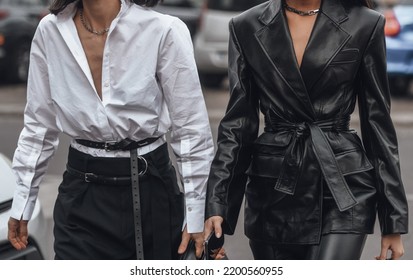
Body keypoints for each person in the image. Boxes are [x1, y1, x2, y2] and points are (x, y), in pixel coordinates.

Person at [7, 0, 214, 260]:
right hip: (81, 196)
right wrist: (22, 200)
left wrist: (196, 212)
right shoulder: (50, 31)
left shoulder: (163, 30)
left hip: (151, 192)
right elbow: (39, 124)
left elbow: (191, 130)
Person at [204, 0, 409, 260]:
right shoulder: (245, 25)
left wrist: (393, 220)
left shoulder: (365, 23)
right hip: (274, 190)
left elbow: (377, 123)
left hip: (343, 185)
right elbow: (238, 125)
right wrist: (217, 202)